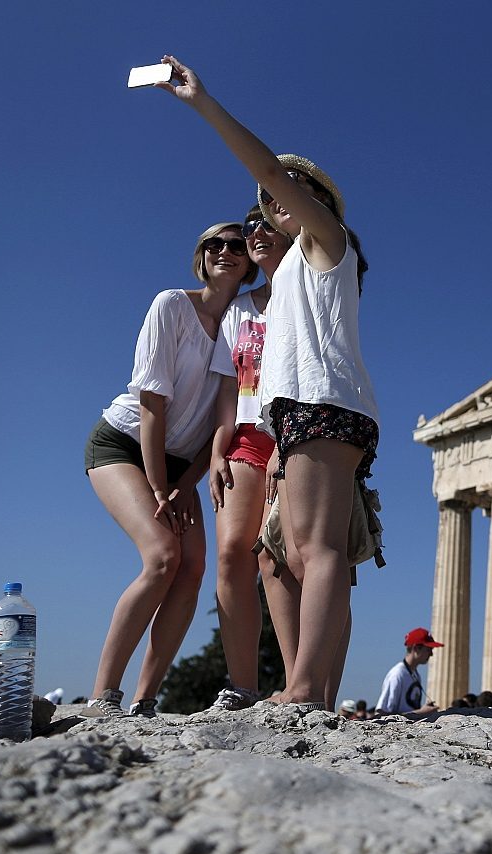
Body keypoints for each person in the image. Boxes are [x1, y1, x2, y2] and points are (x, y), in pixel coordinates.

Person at [159, 57, 379, 710]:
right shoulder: (286, 278)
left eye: (285, 194)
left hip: (324, 404)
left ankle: (307, 688)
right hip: (302, 413)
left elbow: (269, 171)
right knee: (282, 555)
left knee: (316, 549)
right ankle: (307, 682)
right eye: (265, 205)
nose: (271, 203)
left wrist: (205, 104)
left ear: (313, 199)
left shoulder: (327, 241)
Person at [81, 223, 253, 719]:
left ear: (247, 262)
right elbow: (153, 402)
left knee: (192, 568)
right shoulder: (171, 305)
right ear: (200, 256)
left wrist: (184, 483)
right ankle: (102, 696)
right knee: (161, 556)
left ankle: (143, 700)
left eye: (236, 246)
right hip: (125, 442)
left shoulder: (240, 324)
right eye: (214, 244)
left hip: (182, 464)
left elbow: (221, 421)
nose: (225, 251)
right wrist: (160, 485)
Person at [207, 206, 295, 711]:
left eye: (265, 226)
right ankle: (241, 686)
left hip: (297, 433)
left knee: (280, 557)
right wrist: (219, 447)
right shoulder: (240, 308)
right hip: (245, 435)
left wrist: (289, 440)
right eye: (249, 230)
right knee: (230, 554)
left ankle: (299, 681)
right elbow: (228, 383)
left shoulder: (309, 292)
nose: (256, 235)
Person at [376, 628, 443, 717]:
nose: (431, 654)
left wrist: (424, 709)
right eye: (429, 649)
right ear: (416, 648)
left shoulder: (415, 674)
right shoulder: (397, 674)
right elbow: (382, 715)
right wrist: (422, 712)